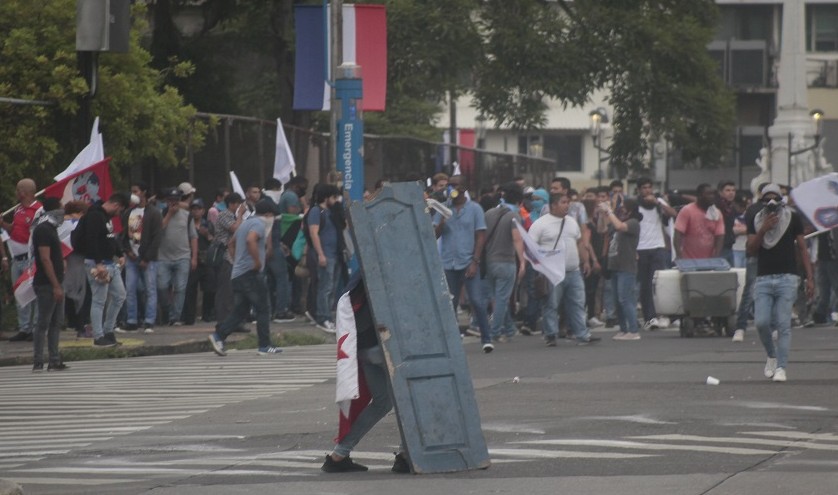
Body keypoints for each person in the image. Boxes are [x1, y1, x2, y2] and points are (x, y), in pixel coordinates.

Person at [321, 273, 408, 474]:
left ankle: (339, 455)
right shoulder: (389, 273)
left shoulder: (361, 276)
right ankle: (406, 455)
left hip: (364, 347)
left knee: (383, 402)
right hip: (382, 344)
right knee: (408, 399)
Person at [746, 184, 814, 382]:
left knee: (784, 324)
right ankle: (772, 356)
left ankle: (781, 368)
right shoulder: (756, 219)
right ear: (761, 201)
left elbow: (802, 248)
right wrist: (763, 230)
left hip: (788, 277)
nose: (771, 203)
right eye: (767, 199)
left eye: (775, 198)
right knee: (761, 322)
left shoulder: (792, 218)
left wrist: (809, 278)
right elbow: (751, 249)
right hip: (764, 278)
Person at [208, 199, 282, 356]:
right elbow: (251, 240)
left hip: (239, 274)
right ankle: (264, 345)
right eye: (272, 216)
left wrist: (237, 261)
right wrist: (256, 262)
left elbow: (231, 243)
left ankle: (219, 336)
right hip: (251, 274)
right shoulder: (259, 225)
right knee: (263, 308)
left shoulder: (245, 224)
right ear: (268, 214)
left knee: (240, 311)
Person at [528, 193, 600, 347]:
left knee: (578, 303)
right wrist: (542, 265)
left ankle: (582, 334)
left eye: (568, 202)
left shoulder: (572, 222)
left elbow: (580, 242)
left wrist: (585, 261)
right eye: (563, 202)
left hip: (573, 271)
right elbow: (531, 248)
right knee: (551, 304)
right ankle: (551, 335)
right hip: (553, 272)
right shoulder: (540, 224)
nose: (567, 205)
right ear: (553, 205)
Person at [433, 181, 493, 353]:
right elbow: (434, 234)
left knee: (476, 301)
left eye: (458, 187)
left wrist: (475, 261)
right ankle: (451, 341)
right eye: (451, 188)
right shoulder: (443, 207)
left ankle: (486, 338)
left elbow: (480, 236)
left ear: (464, 189)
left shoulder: (475, 209)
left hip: (468, 262)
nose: (454, 192)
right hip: (448, 263)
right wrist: (442, 220)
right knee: (450, 303)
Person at [72, 192, 130, 347]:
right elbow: (92, 240)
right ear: (116, 205)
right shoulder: (95, 216)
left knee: (119, 295)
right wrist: (98, 263)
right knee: (99, 300)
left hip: (110, 262)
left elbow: (109, 236)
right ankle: (98, 336)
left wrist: (119, 253)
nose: (118, 214)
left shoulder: (105, 217)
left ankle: (108, 330)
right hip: (97, 263)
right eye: (119, 211)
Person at [483, 183, 526, 344]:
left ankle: (509, 329)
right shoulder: (514, 216)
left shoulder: (489, 213)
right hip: (506, 261)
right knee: (503, 298)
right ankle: (495, 332)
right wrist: (522, 261)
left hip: (489, 261)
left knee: (497, 296)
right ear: (519, 199)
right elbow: (517, 238)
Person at [1, 178, 43, 342]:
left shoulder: (38, 210)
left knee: (33, 294)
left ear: (24, 192)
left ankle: (35, 327)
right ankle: (24, 327)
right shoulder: (18, 209)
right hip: (16, 258)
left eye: (18, 190)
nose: (16, 193)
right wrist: (3, 224)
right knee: (19, 294)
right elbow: (14, 229)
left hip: (29, 258)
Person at [31, 197, 68, 371]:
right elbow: (45, 259)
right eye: (61, 209)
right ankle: (38, 360)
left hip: (56, 281)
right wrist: (55, 285)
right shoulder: (44, 229)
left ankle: (54, 359)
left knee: (56, 322)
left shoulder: (51, 228)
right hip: (47, 283)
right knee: (43, 322)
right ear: (55, 210)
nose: (63, 213)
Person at [120, 181, 162, 333]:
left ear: (143, 192)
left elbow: (157, 237)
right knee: (130, 289)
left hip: (148, 258)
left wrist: (147, 258)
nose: (134, 195)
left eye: (136, 191)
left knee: (150, 289)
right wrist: (128, 252)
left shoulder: (154, 213)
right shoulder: (127, 213)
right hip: (132, 256)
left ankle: (149, 320)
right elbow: (123, 235)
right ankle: (132, 320)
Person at [635, 178, 677, 330]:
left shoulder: (658, 202)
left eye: (649, 187)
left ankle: (663, 314)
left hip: (658, 247)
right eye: (644, 187)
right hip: (641, 248)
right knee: (645, 285)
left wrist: (658, 203)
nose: (647, 190)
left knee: (658, 284)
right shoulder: (636, 205)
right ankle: (649, 317)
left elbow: (673, 213)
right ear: (639, 190)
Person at [599, 198, 642, 340]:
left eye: (623, 207)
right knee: (617, 301)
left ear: (630, 209)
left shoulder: (633, 223)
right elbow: (606, 228)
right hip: (615, 266)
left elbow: (619, 226)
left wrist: (609, 210)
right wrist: (604, 213)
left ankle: (634, 330)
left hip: (626, 266)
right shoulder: (620, 220)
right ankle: (624, 330)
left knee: (625, 298)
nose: (621, 209)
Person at [157, 187, 198, 326]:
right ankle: (167, 311)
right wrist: (169, 214)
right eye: (170, 200)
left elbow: (193, 237)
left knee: (180, 288)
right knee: (162, 286)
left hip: (183, 256)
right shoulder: (160, 213)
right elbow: (158, 231)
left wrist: (194, 257)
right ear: (166, 201)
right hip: (163, 257)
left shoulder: (187, 216)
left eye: (176, 200)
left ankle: (175, 317)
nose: (173, 203)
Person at [305, 184, 343, 333]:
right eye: (334, 197)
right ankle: (323, 317)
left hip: (336, 254)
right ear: (326, 197)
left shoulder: (332, 212)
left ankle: (329, 316)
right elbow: (314, 233)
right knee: (325, 288)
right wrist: (320, 254)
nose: (336, 200)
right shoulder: (316, 211)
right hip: (325, 254)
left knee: (332, 288)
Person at [182, 198, 215, 325]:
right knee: (190, 289)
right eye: (193, 209)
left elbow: (214, 241)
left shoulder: (208, 224)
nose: (196, 212)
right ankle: (189, 316)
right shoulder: (187, 223)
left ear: (203, 211)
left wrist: (207, 235)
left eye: (198, 209)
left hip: (206, 260)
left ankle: (207, 314)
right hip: (192, 259)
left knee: (210, 288)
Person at [673, 183, 725, 260]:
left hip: (709, 260)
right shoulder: (687, 210)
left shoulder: (716, 213)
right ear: (699, 196)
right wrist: (679, 255)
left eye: (713, 194)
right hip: (688, 259)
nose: (712, 197)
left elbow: (720, 236)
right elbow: (677, 234)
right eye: (708, 194)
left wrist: (716, 256)